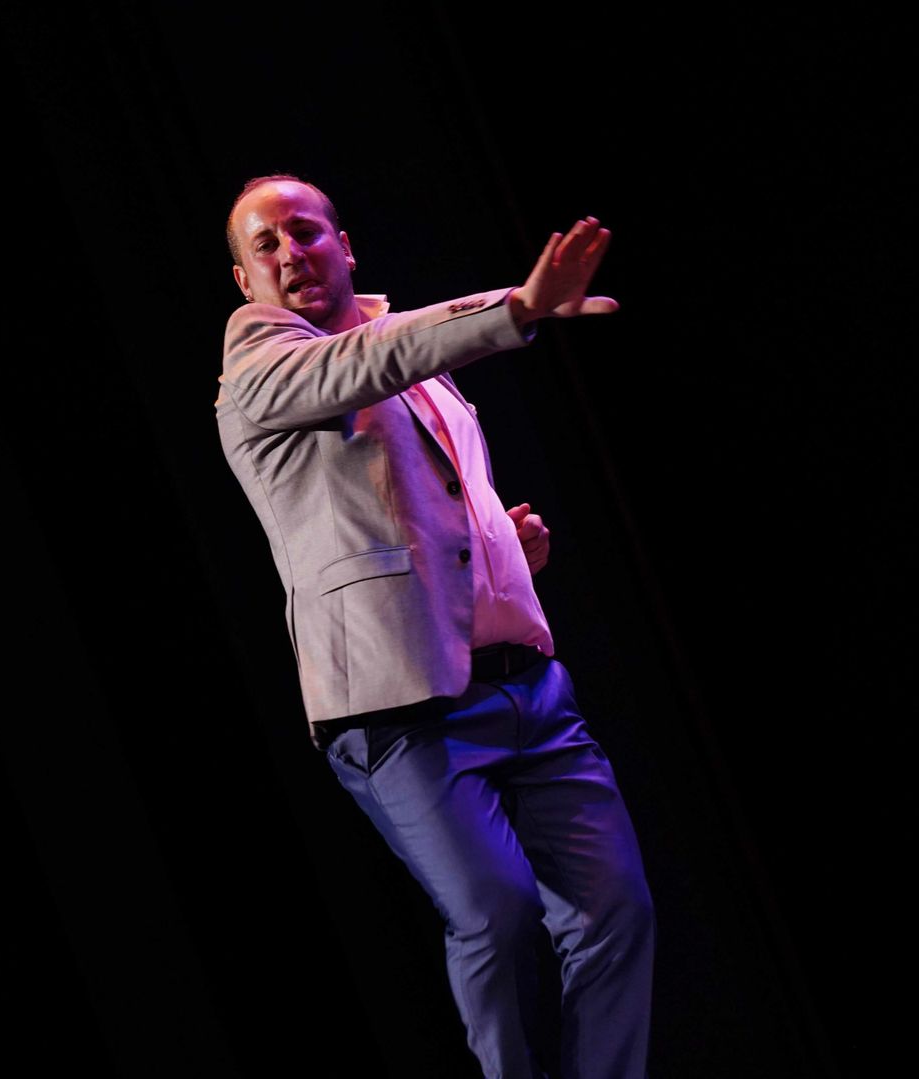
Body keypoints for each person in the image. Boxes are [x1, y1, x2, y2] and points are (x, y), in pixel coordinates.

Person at [215, 174, 654, 1079]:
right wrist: (518, 306)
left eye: (306, 232)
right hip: (401, 710)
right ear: (243, 280)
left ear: (346, 246)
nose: (292, 253)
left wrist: (503, 557)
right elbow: (368, 363)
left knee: (615, 909)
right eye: (268, 244)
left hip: (524, 687)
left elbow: (419, 508)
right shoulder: (260, 372)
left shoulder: (418, 364)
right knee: (494, 911)